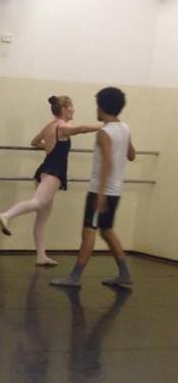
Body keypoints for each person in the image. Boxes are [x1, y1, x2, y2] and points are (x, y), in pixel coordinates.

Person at [0, 96, 102, 266]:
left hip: (44, 170)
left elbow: (34, 142)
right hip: (54, 173)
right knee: (37, 203)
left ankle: (41, 256)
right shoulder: (62, 127)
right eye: (72, 106)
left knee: (42, 217)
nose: (74, 109)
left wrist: (49, 146)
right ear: (64, 109)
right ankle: (6, 215)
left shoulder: (49, 126)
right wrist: (105, 125)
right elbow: (82, 129)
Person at [51, 87, 135, 289]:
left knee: (89, 232)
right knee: (106, 231)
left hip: (101, 191)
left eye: (97, 105)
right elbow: (131, 155)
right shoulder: (124, 128)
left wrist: (101, 195)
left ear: (102, 107)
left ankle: (75, 277)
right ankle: (125, 274)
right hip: (115, 190)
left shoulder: (104, 133)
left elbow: (107, 164)